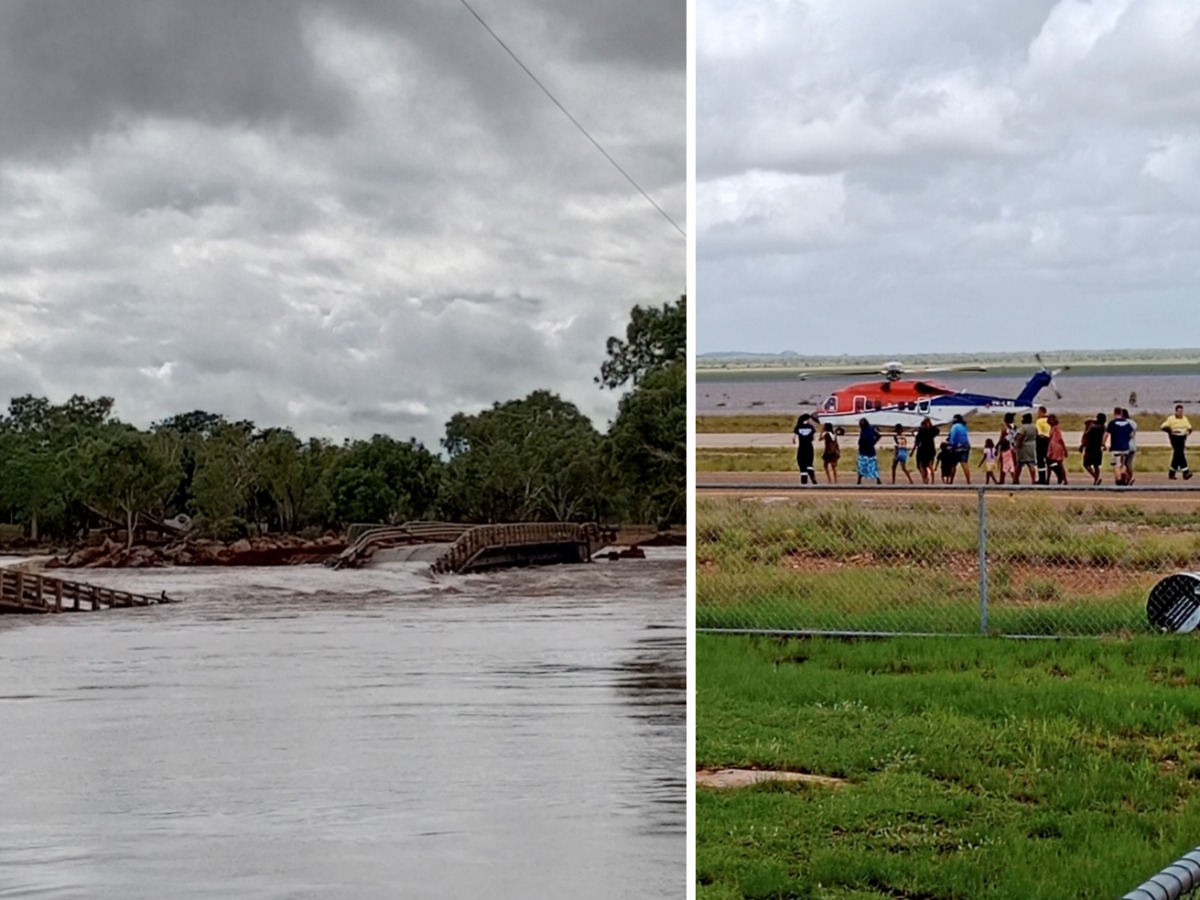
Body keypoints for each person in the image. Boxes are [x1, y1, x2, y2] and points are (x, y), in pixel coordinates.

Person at [1162, 404, 1193, 480]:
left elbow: (1190, 427)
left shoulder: (1185, 419)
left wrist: (1188, 432)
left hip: (1182, 437)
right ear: (1176, 411)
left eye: (1181, 411)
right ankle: (1186, 472)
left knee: (1177, 455)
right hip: (1174, 436)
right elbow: (1163, 427)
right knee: (1180, 453)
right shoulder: (1171, 419)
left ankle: (1171, 473)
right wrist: (1170, 431)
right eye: (1179, 411)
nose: (1180, 413)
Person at [1105, 407, 1134, 486]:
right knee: (1123, 464)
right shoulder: (1127, 423)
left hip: (1116, 448)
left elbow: (1106, 434)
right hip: (1125, 448)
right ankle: (1124, 473)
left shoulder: (1112, 423)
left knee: (1116, 465)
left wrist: (1103, 444)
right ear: (1121, 413)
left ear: (1114, 413)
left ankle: (1119, 481)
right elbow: (1131, 434)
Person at [792, 413, 818, 485]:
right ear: (807, 419)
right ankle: (813, 477)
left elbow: (793, 438)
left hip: (801, 448)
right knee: (809, 463)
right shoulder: (811, 427)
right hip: (809, 448)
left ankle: (804, 481)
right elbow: (813, 438)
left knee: (802, 465)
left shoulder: (798, 426)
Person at [1082, 412, 1107, 485]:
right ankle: (1096, 479)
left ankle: (1095, 477)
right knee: (1096, 465)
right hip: (1098, 447)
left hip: (1090, 447)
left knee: (1086, 464)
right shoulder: (1103, 427)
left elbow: (1086, 434)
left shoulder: (1092, 427)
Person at [1014, 412, 1038, 484]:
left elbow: (1019, 437)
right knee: (1031, 463)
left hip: (1023, 447)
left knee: (1019, 464)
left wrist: (1017, 447)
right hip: (1031, 446)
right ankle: (1033, 480)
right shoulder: (1034, 427)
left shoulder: (1023, 428)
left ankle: (1016, 480)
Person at [913, 417, 940, 484]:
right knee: (929, 466)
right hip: (930, 450)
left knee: (922, 465)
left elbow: (917, 440)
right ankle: (931, 480)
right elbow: (937, 430)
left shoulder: (922, 431)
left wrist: (913, 450)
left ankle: (925, 479)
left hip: (923, 450)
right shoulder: (931, 431)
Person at [856, 417, 882, 485]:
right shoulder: (867, 430)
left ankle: (877, 480)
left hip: (866, 451)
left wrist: (873, 442)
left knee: (863, 466)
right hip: (867, 451)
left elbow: (878, 435)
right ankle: (860, 480)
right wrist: (873, 442)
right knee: (868, 465)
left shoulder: (869, 430)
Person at [947, 414, 972, 484]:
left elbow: (952, 438)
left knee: (953, 465)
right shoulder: (964, 426)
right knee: (965, 463)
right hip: (966, 446)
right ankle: (968, 481)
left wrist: (950, 446)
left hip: (957, 448)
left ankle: (951, 481)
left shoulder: (954, 427)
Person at [1046, 413, 1068, 484]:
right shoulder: (1052, 428)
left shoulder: (1056, 428)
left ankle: (1064, 480)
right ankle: (1049, 479)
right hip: (1052, 447)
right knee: (1051, 464)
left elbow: (1060, 439)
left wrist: (1065, 449)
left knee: (1059, 464)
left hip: (1057, 448)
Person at [1034, 405, 1051, 485]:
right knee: (1049, 460)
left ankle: (1042, 478)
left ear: (1041, 412)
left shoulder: (1039, 421)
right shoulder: (1049, 420)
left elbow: (1038, 431)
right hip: (1048, 440)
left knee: (1040, 460)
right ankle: (1059, 475)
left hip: (1041, 440)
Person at [1123, 408, 1137, 484]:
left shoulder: (1123, 423)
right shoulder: (1133, 423)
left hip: (1125, 445)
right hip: (1133, 445)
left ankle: (1127, 477)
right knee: (1129, 464)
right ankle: (1130, 477)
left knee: (1122, 463)